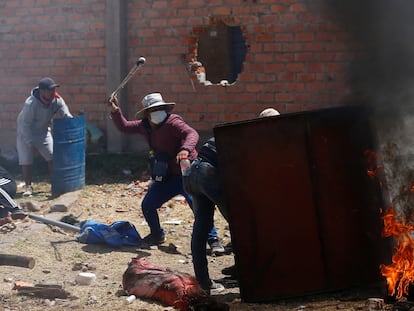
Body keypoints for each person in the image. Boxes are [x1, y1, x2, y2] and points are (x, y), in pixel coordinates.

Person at [108, 92, 224, 254]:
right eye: (153, 109)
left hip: (187, 174)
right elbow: (124, 126)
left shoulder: (173, 122)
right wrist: (115, 111)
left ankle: (213, 240)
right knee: (148, 204)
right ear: (147, 114)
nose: (157, 112)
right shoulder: (145, 126)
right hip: (167, 176)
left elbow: (191, 134)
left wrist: (185, 149)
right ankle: (157, 235)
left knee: (199, 207)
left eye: (160, 108)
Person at [183, 108, 281, 294]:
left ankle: (204, 282)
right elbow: (243, 172)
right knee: (241, 224)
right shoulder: (254, 136)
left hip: (192, 172)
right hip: (208, 173)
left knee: (201, 229)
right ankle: (247, 274)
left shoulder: (241, 132)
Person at [16, 77, 73, 196]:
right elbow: (25, 124)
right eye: (49, 90)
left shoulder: (57, 100)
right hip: (26, 132)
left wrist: (73, 126)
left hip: (43, 132)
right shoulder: (31, 104)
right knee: (26, 160)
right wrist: (30, 143)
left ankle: (56, 185)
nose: (53, 92)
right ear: (42, 91)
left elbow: (66, 114)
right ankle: (28, 186)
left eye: (54, 89)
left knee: (52, 157)